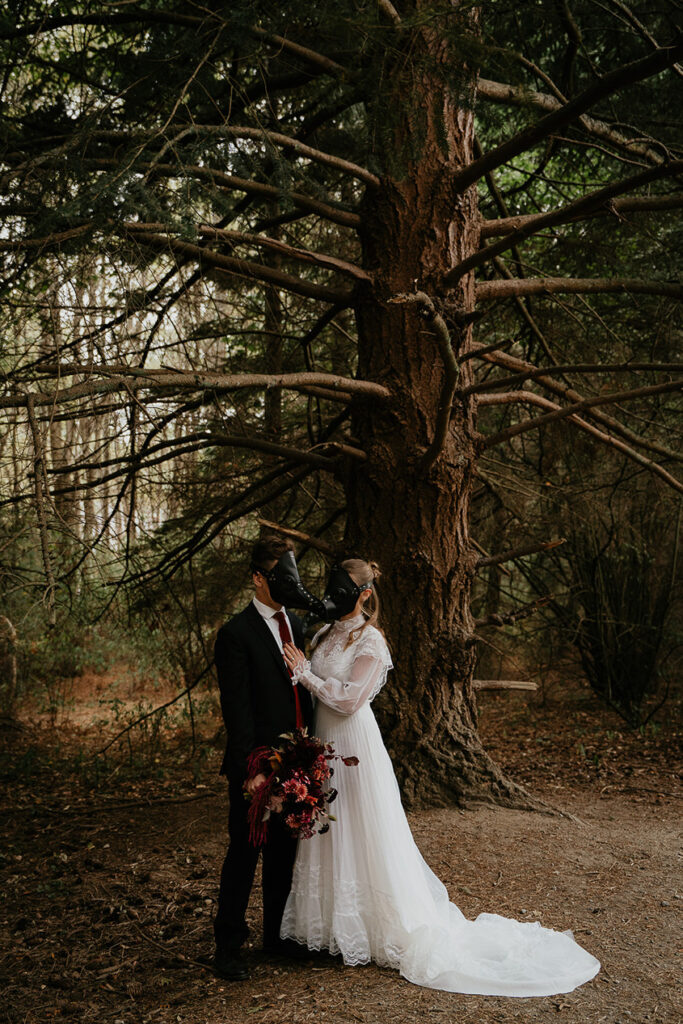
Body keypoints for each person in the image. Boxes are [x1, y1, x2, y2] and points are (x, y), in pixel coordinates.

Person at [281, 557, 600, 996]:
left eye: (344, 588)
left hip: (353, 741)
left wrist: (305, 675)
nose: (334, 595)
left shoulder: (371, 640)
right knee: (333, 830)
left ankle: (374, 925)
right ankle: (332, 931)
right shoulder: (324, 632)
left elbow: (352, 700)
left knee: (361, 826)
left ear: (365, 594)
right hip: (323, 739)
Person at [212, 535, 314, 981]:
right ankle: (228, 945)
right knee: (244, 852)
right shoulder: (235, 634)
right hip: (258, 763)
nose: (290, 582)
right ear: (259, 577)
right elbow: (236, 709)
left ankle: (277, 935)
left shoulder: (298, 624)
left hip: (299, 760)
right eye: (280, 574)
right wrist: (250, 770)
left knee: (283, 852)